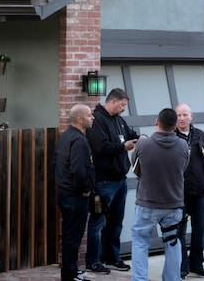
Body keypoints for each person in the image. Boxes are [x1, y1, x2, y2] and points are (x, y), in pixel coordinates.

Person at [130, 108, 190, 281]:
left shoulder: (143, 144)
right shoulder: (183, 145)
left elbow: (136, 169)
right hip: (173, 204)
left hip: (147, 203)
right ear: (175, 125)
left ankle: (139, 279)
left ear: (157, 121)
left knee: (140, 242)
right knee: (172, 242)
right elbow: (183, 169)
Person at [86, 88, 139, 273]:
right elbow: (100, 147)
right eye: (123, 105)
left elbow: (131, 133)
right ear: (114, 101)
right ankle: (93, 260)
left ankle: (112, 257)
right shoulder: (96, 120)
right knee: (97, 222)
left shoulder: (119, 119)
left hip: (120, 182)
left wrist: (141, 139)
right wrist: (123, 147)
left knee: (116, 221)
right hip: (102, 184)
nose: (124, 108)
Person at [55, 104, 95, 281]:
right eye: (89, 115)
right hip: (75, 196)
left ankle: (70, 271)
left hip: (65, 193)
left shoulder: (66, 136)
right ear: (80, 119)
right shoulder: (79, 141)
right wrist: (85, 190)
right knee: (73, 236)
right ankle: (69, 275)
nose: (92, 117)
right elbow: (79, 170)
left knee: (70, 235)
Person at [174, 103, 204, 279]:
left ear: (191, 116)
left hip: (199, 192)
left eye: (184, 115)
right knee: (179, 231)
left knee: (200, 229)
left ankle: (197, 263)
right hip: (177, 194)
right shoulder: (170, 137)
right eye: (178, 115)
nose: (181, 118)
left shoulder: (201, 137)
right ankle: (182, 266)